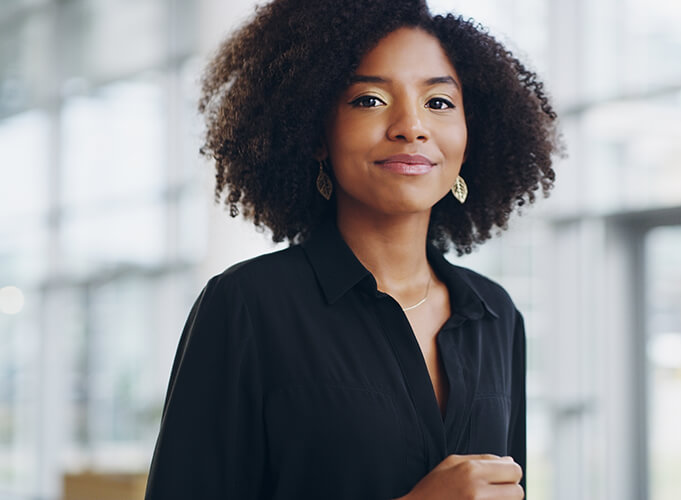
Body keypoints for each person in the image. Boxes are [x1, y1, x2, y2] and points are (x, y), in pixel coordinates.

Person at [144, 0, 560, 498]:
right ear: (316, 134)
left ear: (473, 137)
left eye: (440, 103)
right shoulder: (246, 307)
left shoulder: (496, 316)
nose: (412, 126)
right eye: (369, 99)